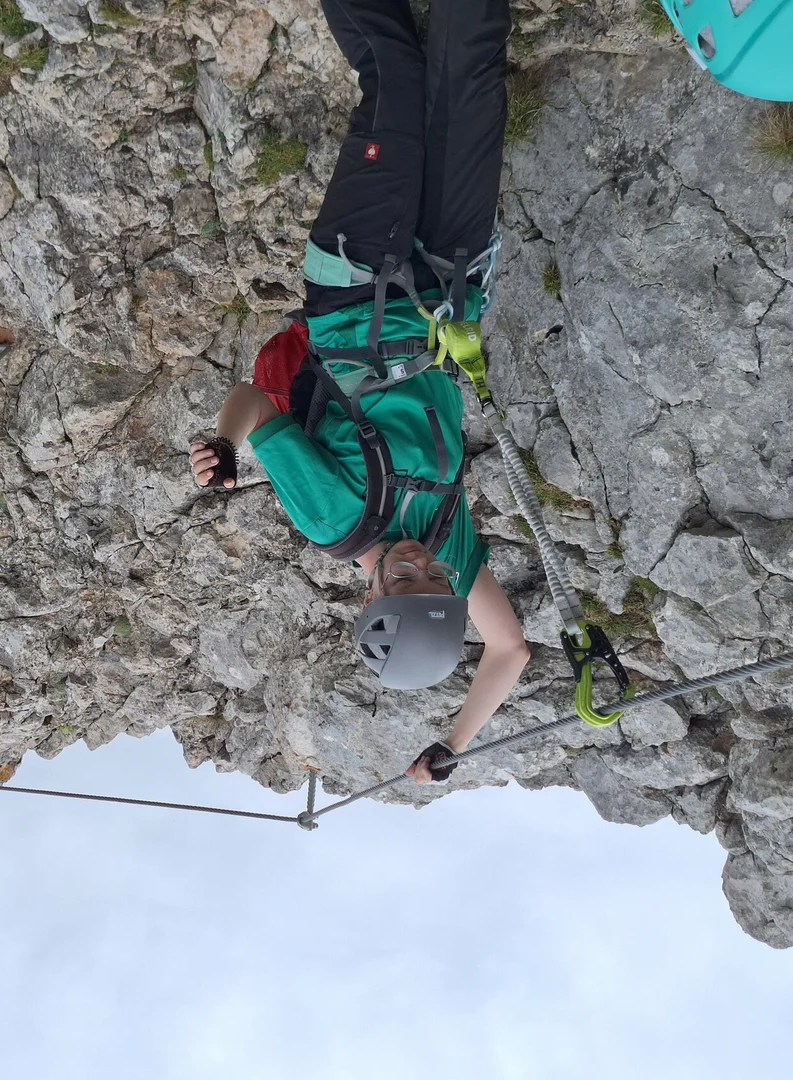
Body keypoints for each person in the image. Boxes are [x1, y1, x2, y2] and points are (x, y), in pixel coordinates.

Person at [189, 0, 530, 785]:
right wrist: (455, 745)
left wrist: (227, 445)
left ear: (369, 594)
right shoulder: (450, 544)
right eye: (433, 582)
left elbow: (254, 405)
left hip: (354, 287)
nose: (418, 565)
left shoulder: (336, 519)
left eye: (402, 581)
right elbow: (509, 652)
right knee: (473, 73)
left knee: (396, 82)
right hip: (449, 280)